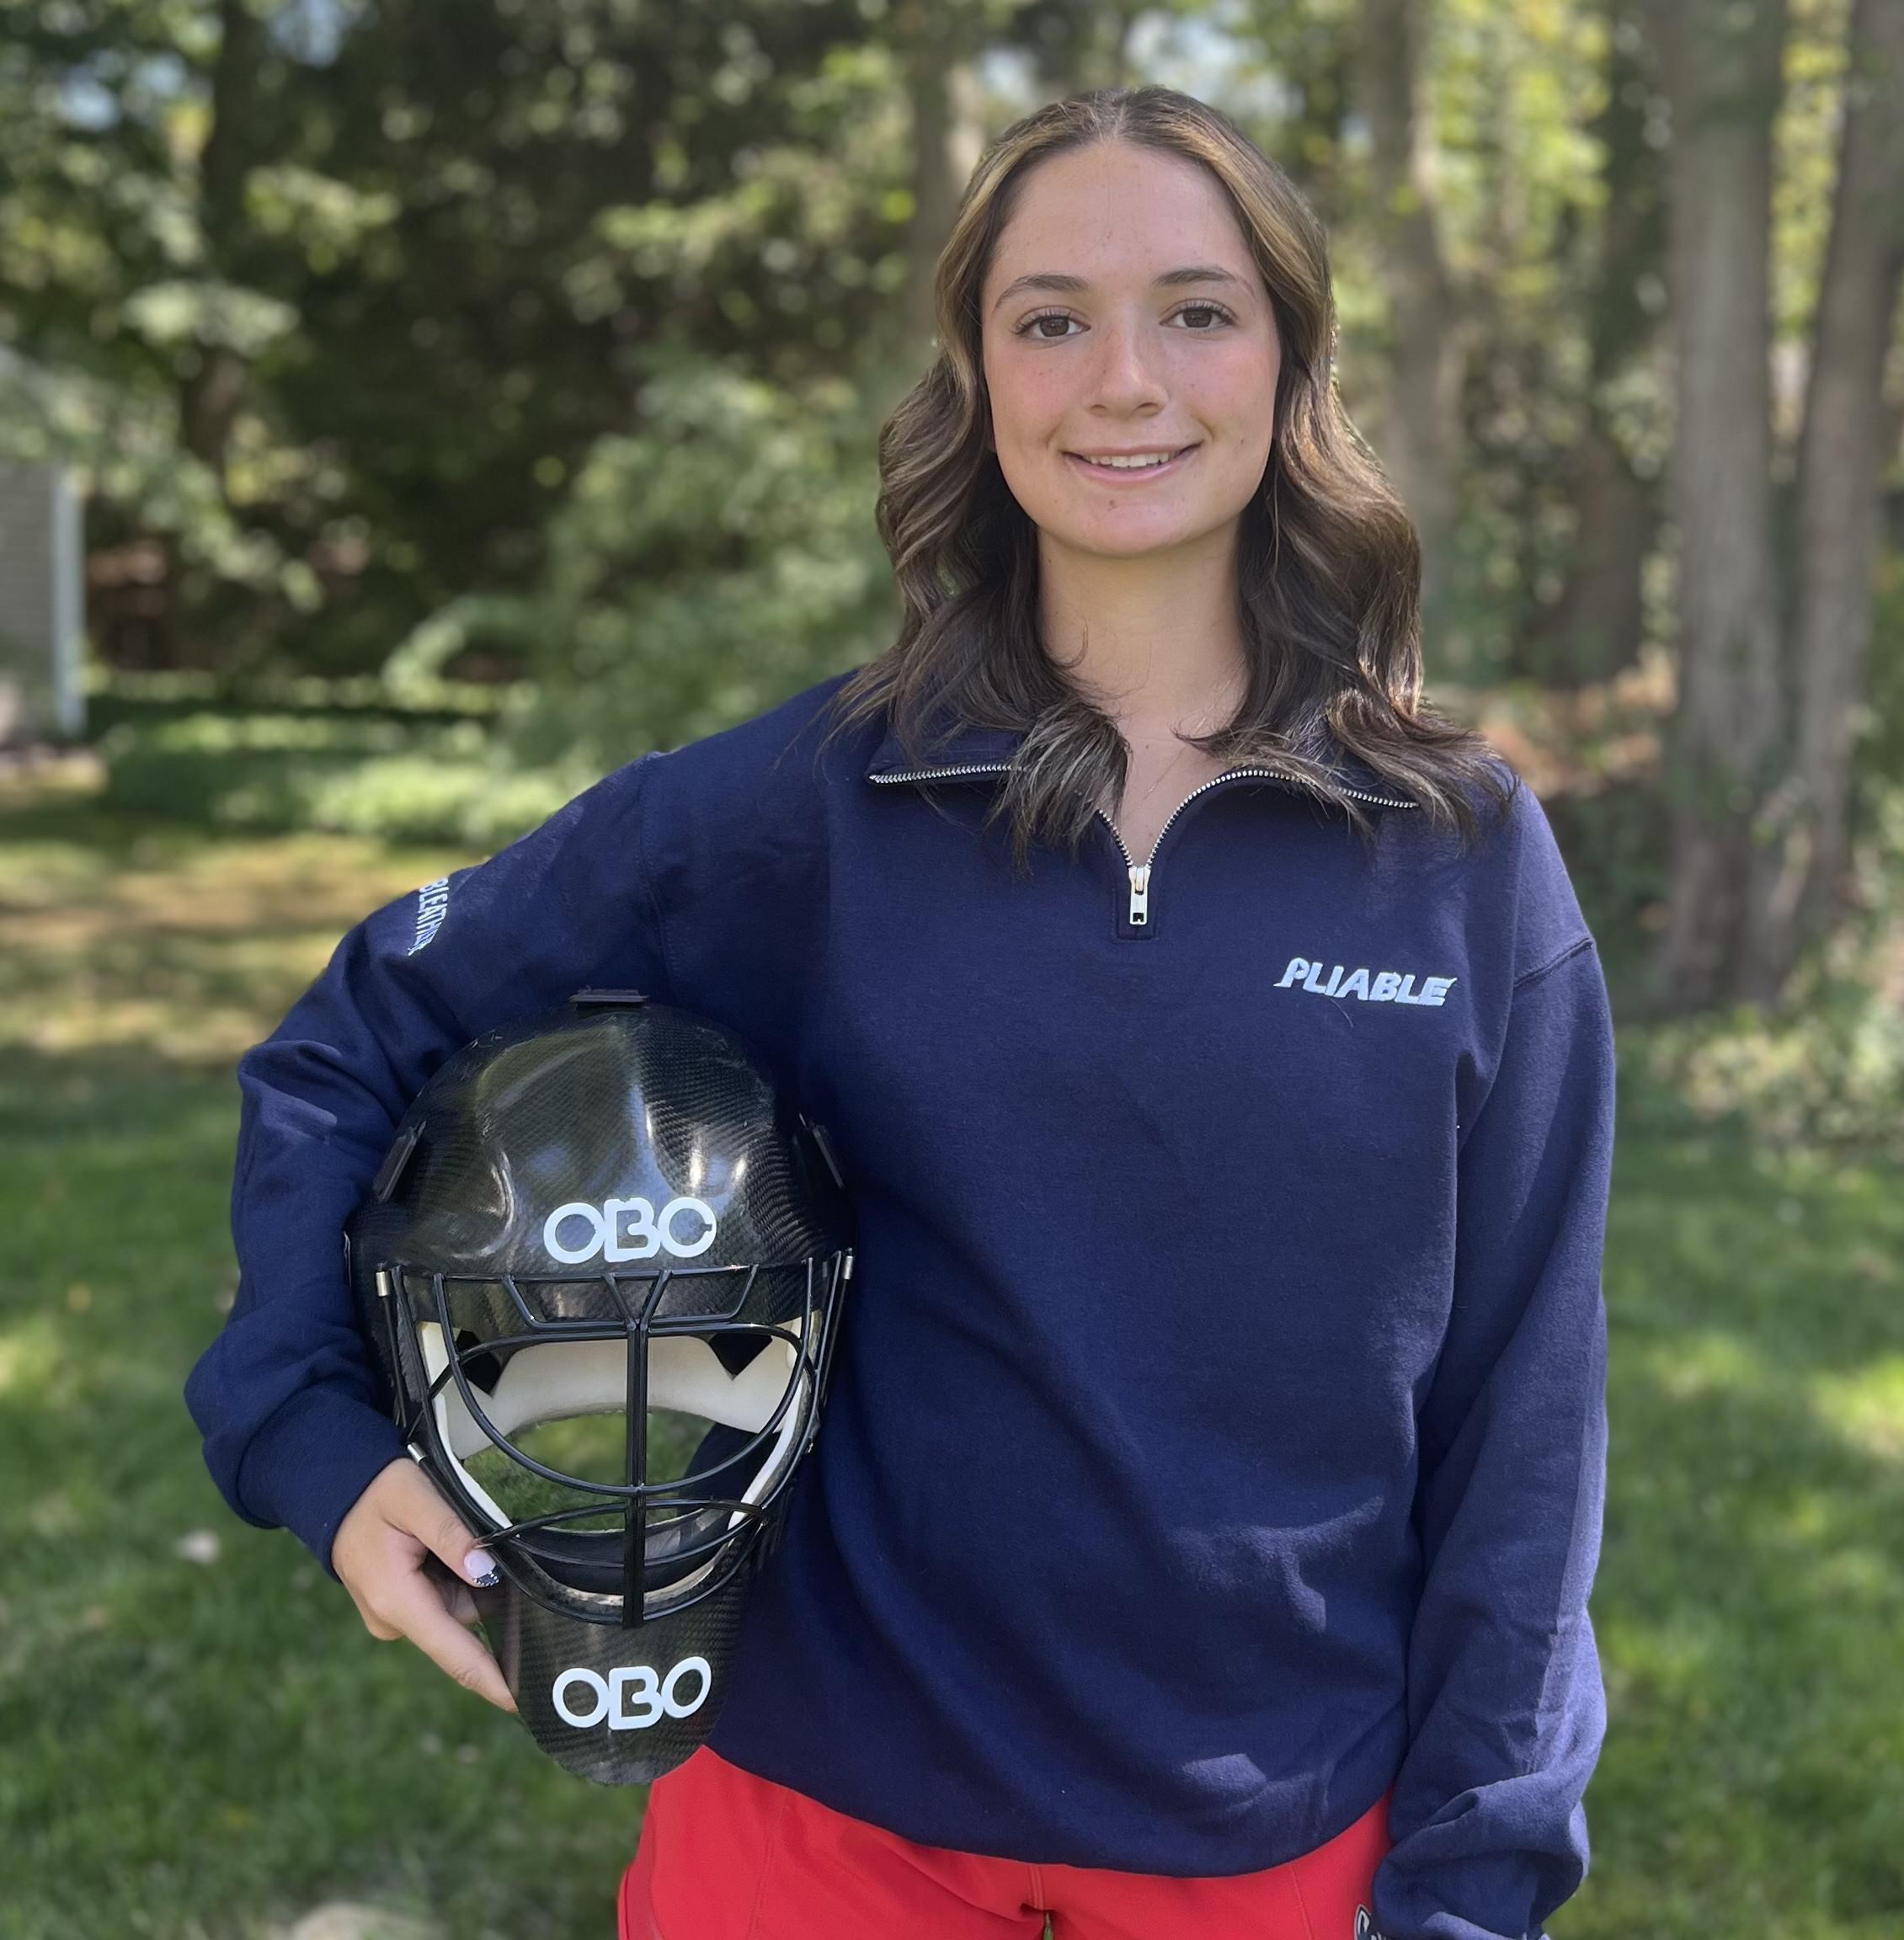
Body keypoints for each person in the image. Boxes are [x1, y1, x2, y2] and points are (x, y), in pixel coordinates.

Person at [185, 84, 1615, 1940]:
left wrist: (1480, 1878)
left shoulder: (1458, 857)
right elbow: (359, 1025)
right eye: (1050, 319)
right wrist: (308, 1436)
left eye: (1195, 310)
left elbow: (1527, 1419)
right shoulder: (816, 802)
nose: (1122, 380)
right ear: (977, 374)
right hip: (808, 1826)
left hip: (1264, 1845)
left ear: (1288, 359)